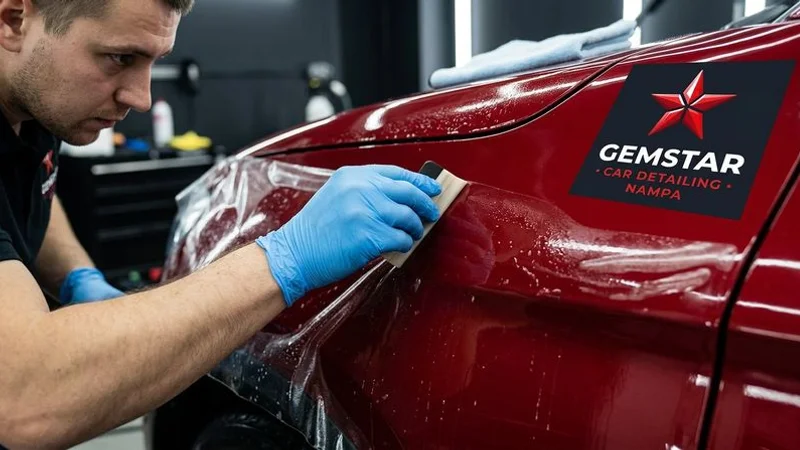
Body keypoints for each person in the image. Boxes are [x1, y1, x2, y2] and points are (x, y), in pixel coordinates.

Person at [0, 0, 442, 448]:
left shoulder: (35, 101)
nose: (141, 96)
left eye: (153, 61)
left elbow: (30, 187)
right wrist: (284, 259)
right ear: (13, 22)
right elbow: (24, 397)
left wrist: (78, 275)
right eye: (120, 58)